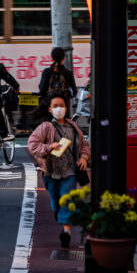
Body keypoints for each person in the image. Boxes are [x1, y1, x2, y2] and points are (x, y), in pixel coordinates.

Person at [27, 93, 90, 249]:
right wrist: (49, 147)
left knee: (66, 199)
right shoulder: (45, 127)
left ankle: (66, 232)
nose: (59, 109)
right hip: (50, 172)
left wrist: (84, 158)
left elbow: (84, 145)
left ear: (66, 107)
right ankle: (62, 217)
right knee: (56, 204)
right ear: (49, 109)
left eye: (61, 105)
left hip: (70, 171)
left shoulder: (73, 127)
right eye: (55, 106)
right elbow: (33, 144)